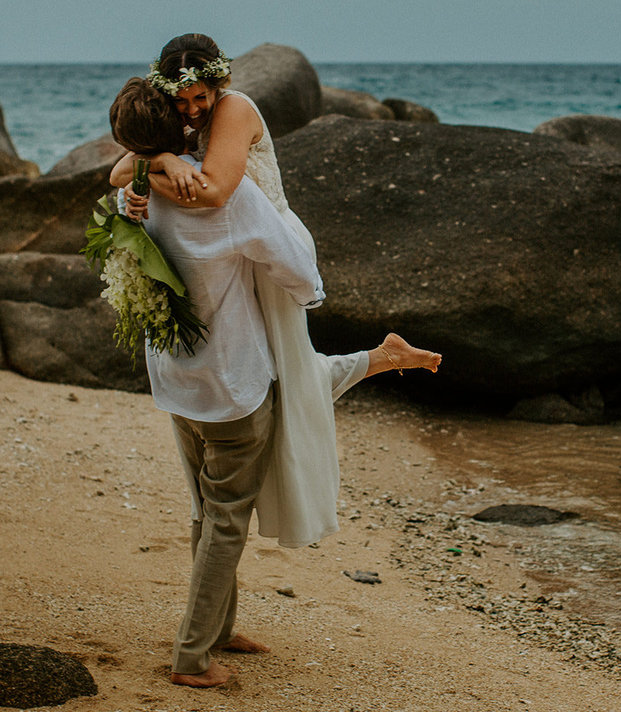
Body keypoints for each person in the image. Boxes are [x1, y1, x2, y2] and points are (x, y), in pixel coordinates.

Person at [110, 37, 440, 550]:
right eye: (183, 102)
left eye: (202, 98)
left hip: (269, 243)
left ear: (219, 84)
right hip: (235, 244)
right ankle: (382, 356)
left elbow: (216, 191)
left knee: (291, 377)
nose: (194, 111)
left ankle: (382, 357)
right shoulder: (172, 132)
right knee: (287, 376)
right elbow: (115, 173)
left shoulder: (235, 109)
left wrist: (161, 167)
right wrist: (163, 159)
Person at [108, 77, 325, 687]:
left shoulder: (132, 194)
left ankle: (220, 629)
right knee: (227, 519)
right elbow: (298, 272)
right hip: (233, 382)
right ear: (183, 127)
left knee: (206, 511)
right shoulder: (227, 197)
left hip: (177, 377)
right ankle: (192, 656)